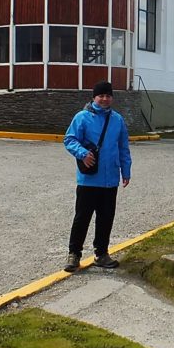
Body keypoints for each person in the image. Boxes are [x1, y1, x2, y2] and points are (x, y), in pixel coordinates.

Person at [63, 81, 131, 272]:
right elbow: (69, 139)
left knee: (106, 218)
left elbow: (123, 147)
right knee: (82, 217)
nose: (104, 99)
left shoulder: (117, 120)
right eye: (101, 95)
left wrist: (126, 170)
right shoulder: (82, 118)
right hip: (89, 179)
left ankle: (101, 253)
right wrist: (83, 153)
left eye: (108, 95)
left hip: (110, 180)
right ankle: (74, 254)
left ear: (112, 98)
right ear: (94, 97)